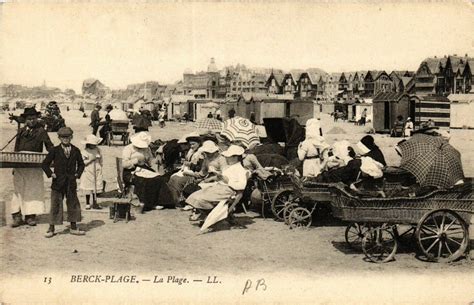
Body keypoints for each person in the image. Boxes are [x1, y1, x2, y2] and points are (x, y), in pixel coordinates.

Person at [10, 107, 54, 227]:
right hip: (20, 165)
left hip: (35, 165)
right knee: (18, 189)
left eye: (34, 118)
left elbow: (49, 146)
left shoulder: (41, 131)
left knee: (33, 190)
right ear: (25, 119)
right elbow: (16, 148)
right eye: (29, 119)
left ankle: (30, 216)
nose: (32, 121)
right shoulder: (21, 131)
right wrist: (14, 164)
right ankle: (17, 216)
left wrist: (54, 157)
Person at [41, 127, 85, 238]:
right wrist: (51, 174)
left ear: (71, 137)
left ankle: (73, 227)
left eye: (68, 137)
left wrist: (77, 174)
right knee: (55, 204)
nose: (66, 139)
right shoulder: (54, 150)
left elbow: (81, 164)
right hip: (58, 182)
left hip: (71, 182)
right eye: (63, 137)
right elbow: (45, 164)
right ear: (59, 138)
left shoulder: (75, 150)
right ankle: (51, 228)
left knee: (73, 203)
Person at [186, 145, 250, 221]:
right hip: (219, 187)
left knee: (200, 199)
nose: (226, 158)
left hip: (228, 190)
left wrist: (228, 181)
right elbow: (223, 177)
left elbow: (241, 186)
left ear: (235, 157)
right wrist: (217, 177)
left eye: (228, 156)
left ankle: (210, 215)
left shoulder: (240, 170)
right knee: (193, 196)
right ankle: (208, 214)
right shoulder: (229, 167)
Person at [122, 132, 173, 212]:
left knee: (158, 178)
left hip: (143, 168)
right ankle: (146, 204)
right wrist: (135, 161)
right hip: (130, 170)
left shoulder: (147, 149)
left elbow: (150, 162)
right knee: (143, 180)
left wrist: (154, 162)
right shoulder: (128, 149)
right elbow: (124, 164)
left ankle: (159, 201)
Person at [167, 133, 204, 207]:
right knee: (172, 178)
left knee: (178, 180)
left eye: (193, 144)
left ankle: (180, 200)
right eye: (190, 144)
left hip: (196, 174)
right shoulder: (191, 151)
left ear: (199, 143)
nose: (191, 146)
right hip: (189, 170)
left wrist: (190, 165)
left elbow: (200, 168)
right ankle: (174, 200)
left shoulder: (201, 153)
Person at [79, 135, 103, 210]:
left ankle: (95, 202)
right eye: (92, 144)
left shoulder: (98, 150)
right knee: (88, 187)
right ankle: (87, 203)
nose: (94, 145)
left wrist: (100, 165)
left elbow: (101, 159)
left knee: (95, 187)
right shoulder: (84, 151)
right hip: (88, 170)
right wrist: (91, 159)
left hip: (96, 169)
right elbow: (82, 163)